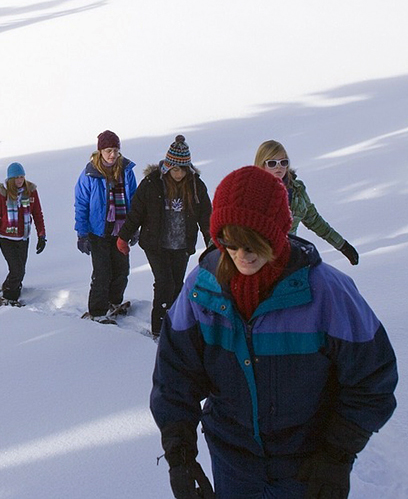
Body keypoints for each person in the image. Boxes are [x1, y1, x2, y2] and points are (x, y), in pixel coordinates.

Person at [150, 165, 396, 499]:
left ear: (278, 233)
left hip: (307, 466)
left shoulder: (327, 293)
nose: (242, 255)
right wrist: (180, 456)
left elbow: (373, 379)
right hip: (233, 462)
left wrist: (337, 455)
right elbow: (175, 375)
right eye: (230, 242)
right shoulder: (201, 290)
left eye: (254, 242)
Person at [116, 135, 212, 338]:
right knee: (164, 284)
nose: (179, 174)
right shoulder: (152, 183)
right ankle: (159, 330)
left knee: (177, 286)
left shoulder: (195, 185)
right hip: (155, 244)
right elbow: (136, 213)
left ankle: (175, 326)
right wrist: (123, 237)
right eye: (175, 169)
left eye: (183, 169)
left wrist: (212, 243)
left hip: (182, 245)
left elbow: (206, 217)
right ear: (168, 167)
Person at [255, 140, 359, 265]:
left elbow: (314, 221)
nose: (279, 167)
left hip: (289, 258)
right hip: (260, 261)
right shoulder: (253, 193)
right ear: (261, 165)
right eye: (272, 163)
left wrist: (342, 245)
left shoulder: (297, 191)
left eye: (283, 162)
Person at [74, 130, 137, 321]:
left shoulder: (126, 171)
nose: (112, 154)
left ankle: (114, 301)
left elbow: (134, 201)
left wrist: (134, 228)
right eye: (108, 150)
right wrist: (82, 234)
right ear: (100, 151)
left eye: (116, 150)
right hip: (97, 231)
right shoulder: (90, 173)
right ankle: (97, 311)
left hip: (121, 230)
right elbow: (81, 204)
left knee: (121, 270)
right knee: (102, 273)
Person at [0, 162, 46, 305]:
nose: (19, 180)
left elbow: (37, 214)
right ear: (10, 179)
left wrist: (41, 235)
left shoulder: (30, 192)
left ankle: (8, 287)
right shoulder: (3, 194)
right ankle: (9, 297)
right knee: (17, 270)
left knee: (20, 270)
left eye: (21, 177)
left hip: (23, 237)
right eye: (16, 177)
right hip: (6, 238)